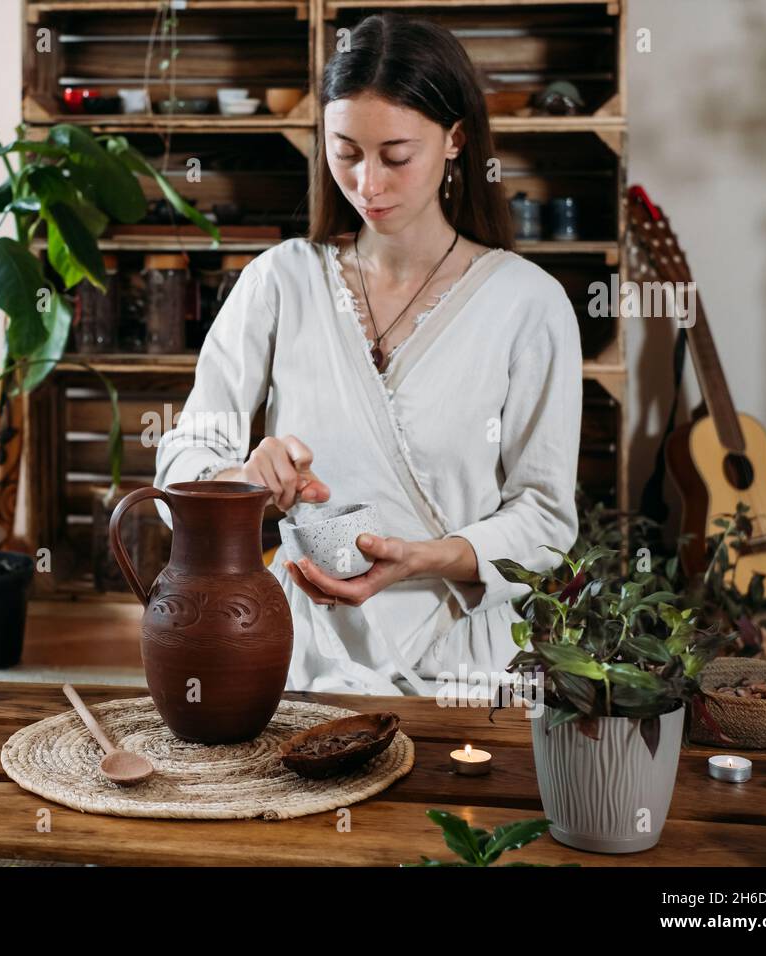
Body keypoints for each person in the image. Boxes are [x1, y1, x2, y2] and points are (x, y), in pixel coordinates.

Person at [153, 14, 582, 698]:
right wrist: (243, 478)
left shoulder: (528, 304)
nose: (368, 184)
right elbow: (181, 467)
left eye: (396, 155)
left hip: (462, 665)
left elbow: (547, 519)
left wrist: (420, 559)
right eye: (345, 151)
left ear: (456, 139)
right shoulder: (280, 280)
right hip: (297, 656)